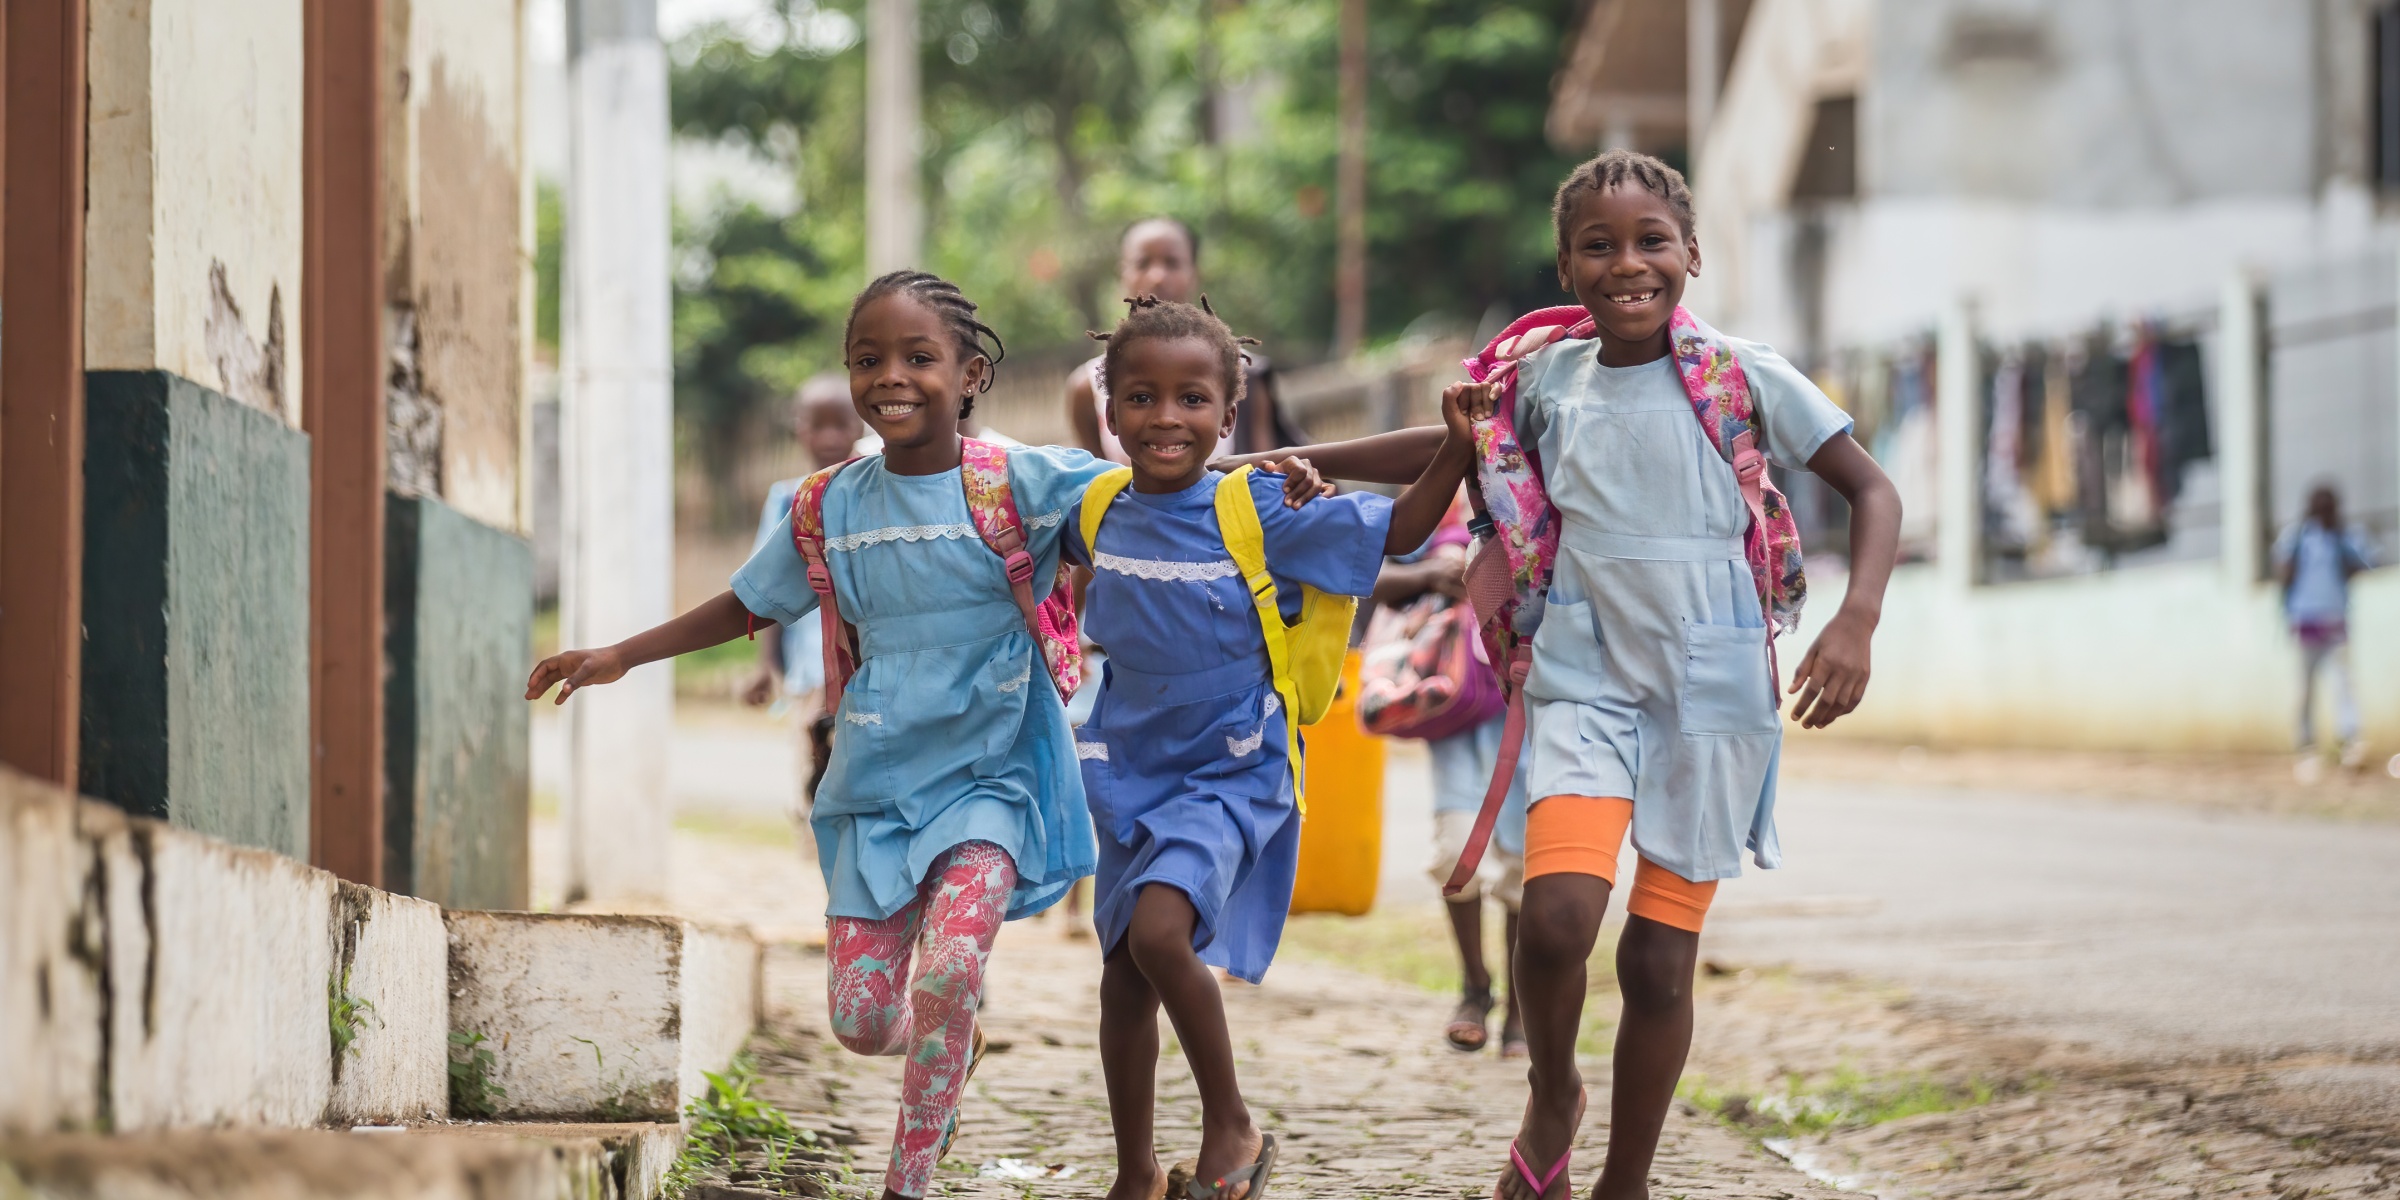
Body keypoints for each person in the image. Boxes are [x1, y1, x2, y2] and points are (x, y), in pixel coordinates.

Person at [1215, 150, 1902, 1200]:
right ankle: (1551, 1093)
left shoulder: (1742, 373)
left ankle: (1621, 1179)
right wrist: (1284, 465)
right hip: (1582, 678)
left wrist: (1854, 622)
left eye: (1651, 242)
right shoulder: (1541, 381)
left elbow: (1872, 489)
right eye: (1599, 245)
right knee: (1556, 921)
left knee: (1658, 966)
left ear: (1692, 254)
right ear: (1566, 264)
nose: (1628, 264)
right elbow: (1441, 440)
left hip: (1714, 694)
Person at [527, 270, 1112, 1200]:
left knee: (953, 967)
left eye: (920, 357)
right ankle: (947, 1041)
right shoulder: (828, 505)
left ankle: (906, 1180)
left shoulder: (1020, 482)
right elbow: (747, 603)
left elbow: (1161, 494)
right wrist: (622, 655)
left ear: (969, 375)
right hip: (876, 779)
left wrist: (1264, 479)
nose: (892, 376)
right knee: (859, 1017)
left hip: (995, 775)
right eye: (867, 359)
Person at [1068, 297, 1477, 1200]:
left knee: (1160, 932)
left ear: (1230, 410)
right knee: (1122, 976)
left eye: (1191, 399)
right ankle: (1134, 1171)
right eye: (1140, 397)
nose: (1165, 418)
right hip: (1128, 766)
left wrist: (1456, 447)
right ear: (1109, 404)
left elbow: (1400, 532)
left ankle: (1231, 1123)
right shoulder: (1092, 503)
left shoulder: (1257, 503)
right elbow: (1004, 527)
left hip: (1231, 764)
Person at [1369, 499, 1530, 1058]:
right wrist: (1433, 574)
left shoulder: (1551, 493)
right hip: (1461, 708)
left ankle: (1519, 1007)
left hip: (1537, 706)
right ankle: (1474, 986)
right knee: (1455, 851)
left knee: (1526, 865)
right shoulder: (1444, 509)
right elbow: (1371, 568)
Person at [741, 374, 867, 854]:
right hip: (809, 665)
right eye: (819, 425)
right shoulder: (786, 497)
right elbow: (765, 594)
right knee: (814, 753)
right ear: (800, 430)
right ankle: (819, 835)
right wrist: (764, 669)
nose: (831, 437)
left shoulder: (872, 489)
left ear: (859, 425)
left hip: (862, 660)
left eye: (841, 424)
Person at [1065, 218, 1304, 465]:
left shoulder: (1240, 373)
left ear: (1194, 273)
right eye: (1142, 263)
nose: (1157, 276)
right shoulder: (1087, 388)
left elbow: (1263, 472)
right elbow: (1095, 485)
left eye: (1172, 263)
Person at [2273, 483, 2377, 775]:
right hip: (2306, 621)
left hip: (2334, 620)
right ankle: (2306, 746)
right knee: (2305, 688)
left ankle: (2350, 743)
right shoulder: (2297, 536)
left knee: (2343, 684)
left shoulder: (2344, 536)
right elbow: (2282, 567)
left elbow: (2368, 561)